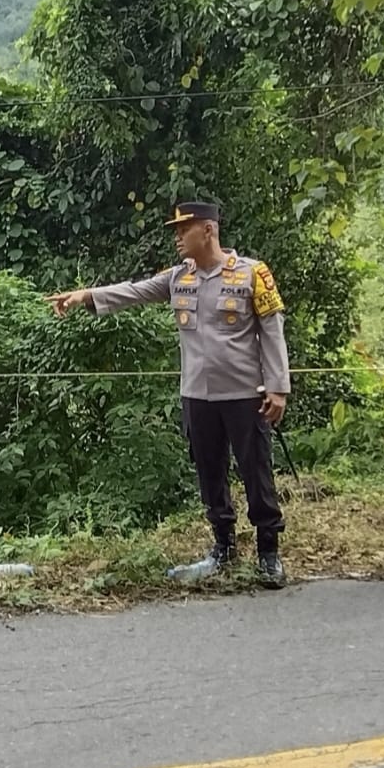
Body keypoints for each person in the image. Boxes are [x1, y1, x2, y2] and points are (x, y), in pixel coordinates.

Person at [46, 202, 292, 588]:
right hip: (197, 395)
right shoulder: (179, 277)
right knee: (209, 472)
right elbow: (134, 291)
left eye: (184, 229)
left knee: (255, 471)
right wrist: (84, 296)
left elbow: (272, 332)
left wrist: (277, 388)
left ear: (208, 230)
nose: (177, 237)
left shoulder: (251, 274)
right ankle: (223, 547)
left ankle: (268, 553)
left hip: (244, 394)